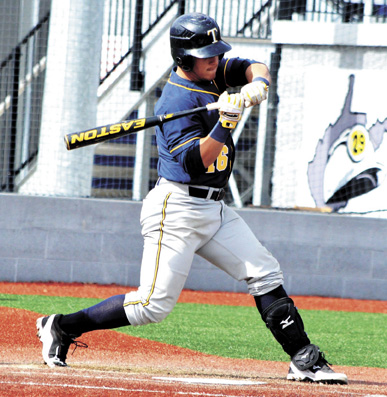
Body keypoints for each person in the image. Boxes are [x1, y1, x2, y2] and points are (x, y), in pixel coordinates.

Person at [37, 12, 348, 384]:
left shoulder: (211, 71)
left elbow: (252, 65)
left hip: (213, 207)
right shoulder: (174, 101)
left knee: (264, 271)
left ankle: (304, 357)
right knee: (153, 305)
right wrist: (225, 123)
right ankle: (62, 326)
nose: (214, 59)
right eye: (206, 55)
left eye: (215, 53)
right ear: (184, 58)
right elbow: (195, 161)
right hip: (177, 208)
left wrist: (257, 85)